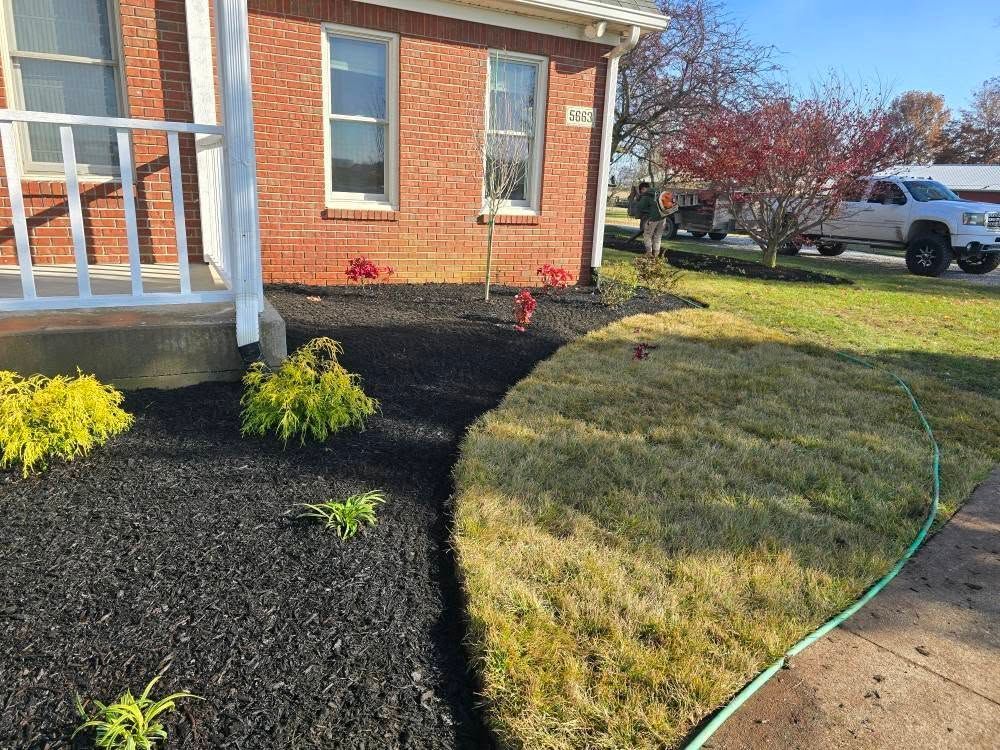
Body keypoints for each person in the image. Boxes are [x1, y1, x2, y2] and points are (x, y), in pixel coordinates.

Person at [636, 182, 670, 258]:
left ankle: (649, 253)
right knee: (658, 236)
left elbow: (641, 207)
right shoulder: (658, 192)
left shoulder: (646, 195)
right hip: (663, 218)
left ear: (643, 189)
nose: (641, 192)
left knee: (647, 234)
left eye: (641, 191)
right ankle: (656, 254)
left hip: (653, 218)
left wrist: (638, 200)